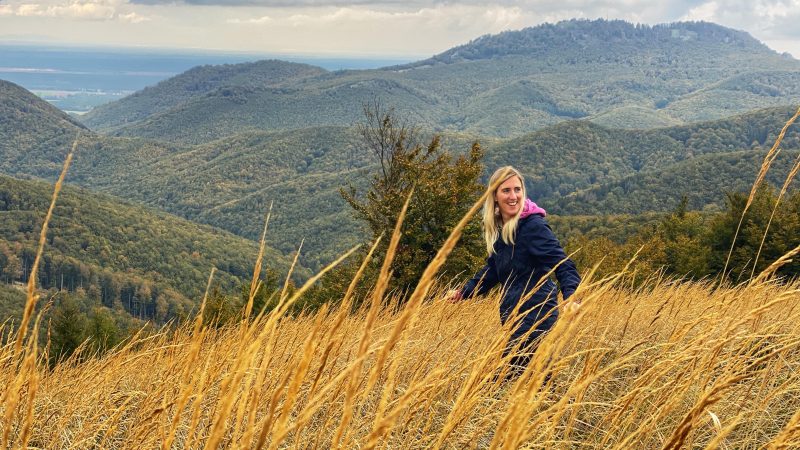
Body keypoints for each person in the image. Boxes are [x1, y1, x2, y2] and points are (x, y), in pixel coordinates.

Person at [450, 166, 581, 380]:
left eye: (517, 190)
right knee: (533, 384)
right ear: (494, 196)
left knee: (505, 382)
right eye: (506, 191)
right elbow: (493, 269)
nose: (513, 196)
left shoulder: (532, 226)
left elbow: (563, 263)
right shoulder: (504, 229)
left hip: (536, 315)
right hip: (514, 316)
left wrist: (571, 296)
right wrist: (464, 292)